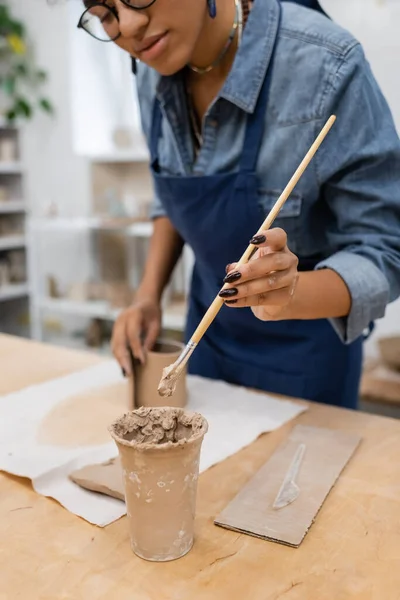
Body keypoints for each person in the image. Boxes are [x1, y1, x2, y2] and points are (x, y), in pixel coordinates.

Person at [78, 0, 400, 409]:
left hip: (306, 359)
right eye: (104, 14)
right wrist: (148, 296)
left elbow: (385, 250)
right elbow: (173, 191)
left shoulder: (325, 64)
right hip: (206, 344)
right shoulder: (151, 68)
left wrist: (292, 290)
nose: (129, 26)